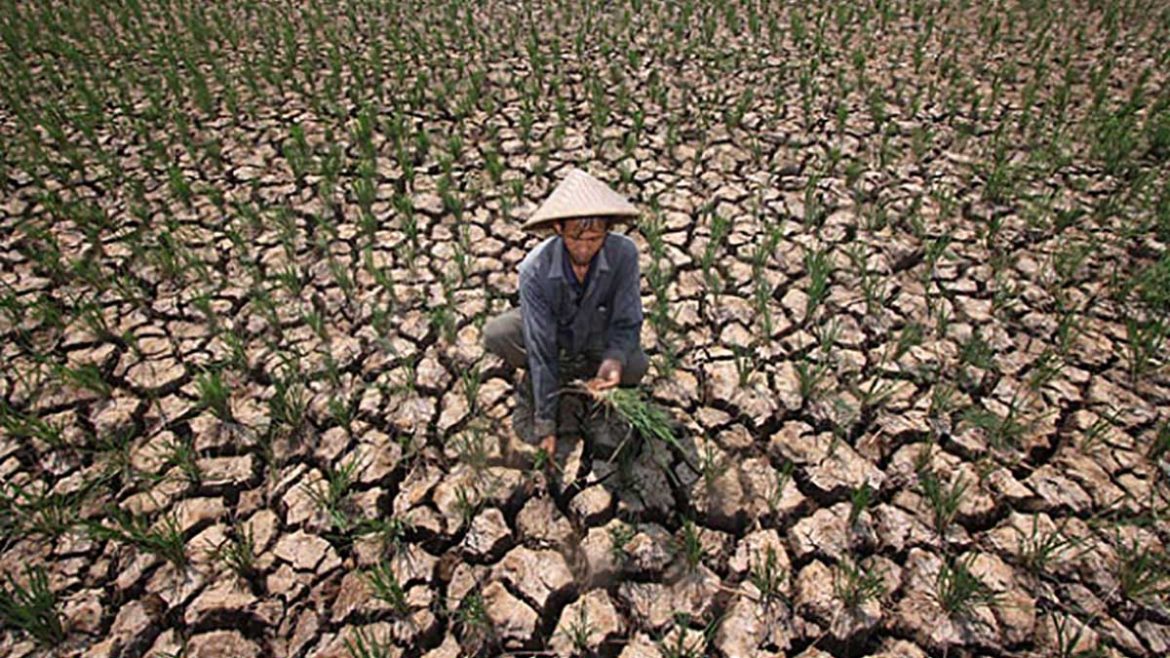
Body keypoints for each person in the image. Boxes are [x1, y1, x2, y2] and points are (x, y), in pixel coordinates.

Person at [483, 168, 650, 462]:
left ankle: (583, 369)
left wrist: (613, 359)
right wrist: (546, 422)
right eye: (575, 237)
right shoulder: (534, 269)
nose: (584, 247)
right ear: (558, 228)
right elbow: (540, 344)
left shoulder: (625, 254)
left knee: (634, 365)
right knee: (499, 334)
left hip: (596, 334)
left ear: (608, 230)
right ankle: (552, 376)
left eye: (595, 238)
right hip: (554, 334)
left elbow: (627, 319)